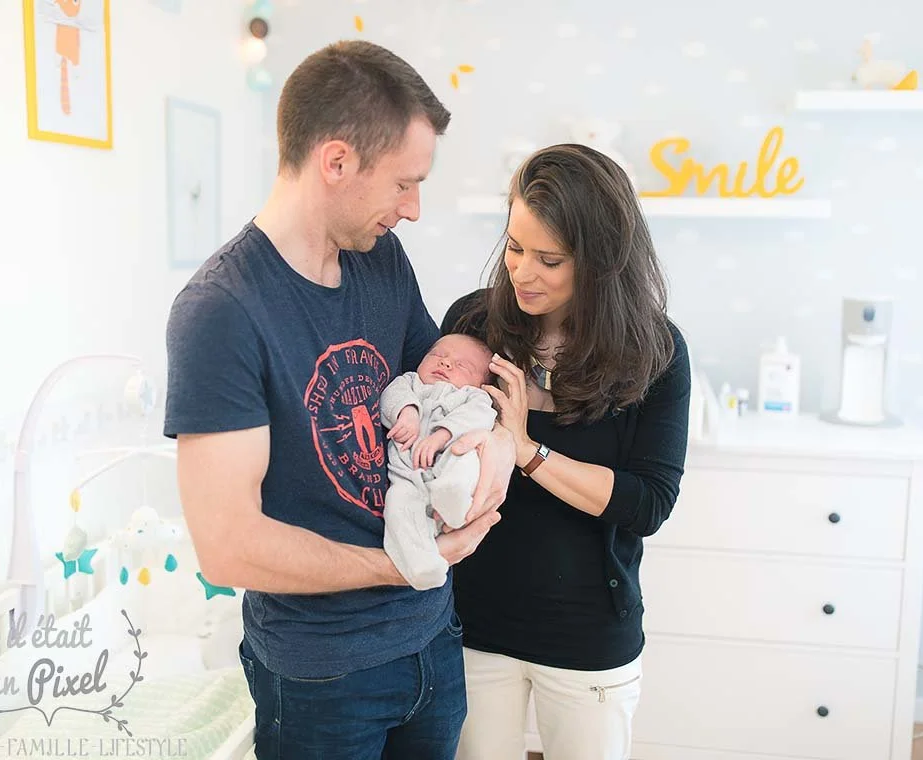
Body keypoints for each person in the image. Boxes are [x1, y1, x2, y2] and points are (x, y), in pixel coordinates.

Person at [162, 40, 516, 759]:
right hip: (322, 675)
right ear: (336, 162)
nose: (413, 210)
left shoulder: (378, 257)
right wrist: (403, 562)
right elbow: (227, 547)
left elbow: (445, 388)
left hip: (432, 642)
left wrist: (502, 447)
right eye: (403, 184)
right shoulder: (222, 311)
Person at [441, 143, 692, 760]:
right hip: (475, 625)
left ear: (601, 263)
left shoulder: (653, 352)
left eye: (549, 260)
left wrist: (527, 449)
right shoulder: (474, 327)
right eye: (515, 247)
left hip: (588, 639)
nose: (522, 272)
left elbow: (647, 504)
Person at [381, 333, 497, 591]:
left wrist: (442, 434)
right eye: (437, 355)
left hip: (449, 461)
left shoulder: (473, 397)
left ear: (481, 384)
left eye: (462, 365)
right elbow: (390, 396)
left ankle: (453, 495)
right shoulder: (409, 383)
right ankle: (422, 565)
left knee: (466, 458)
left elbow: (481, 416)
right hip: (408, 478)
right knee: (397, 505)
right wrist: (407, 412)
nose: (445, 364)